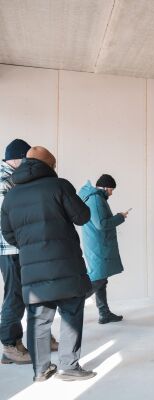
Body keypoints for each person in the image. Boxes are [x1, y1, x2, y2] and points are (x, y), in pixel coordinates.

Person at [1, 146, 96, 382]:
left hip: (31, 268)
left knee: (39, 319)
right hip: (66, 265)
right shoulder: (59, 186)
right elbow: (82, 216)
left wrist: (30, 245)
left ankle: (41, 370)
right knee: (71, 313)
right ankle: (69, 366)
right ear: (49, 165)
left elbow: (9, 235)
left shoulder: (12, 195)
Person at [1, 139, 59, 365]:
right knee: (15, 296)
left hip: (23, 247)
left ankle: (41, 338)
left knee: (35, 293)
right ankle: (10, 346)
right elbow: (11, 220)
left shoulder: (14, 179)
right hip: (10, 250)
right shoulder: (4, 181)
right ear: (17, 159)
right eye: (26, 160)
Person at [78, 174, 128, 324]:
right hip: (98, 246)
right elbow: (101, 224)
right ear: (105, 187)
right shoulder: (95, 199)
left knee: (101, 279)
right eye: (111, 190)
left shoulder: (95, 198)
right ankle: (71, 305)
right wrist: (120, 217)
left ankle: (104, 313)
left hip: (98, 244)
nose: (111, 193)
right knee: (97, 280)